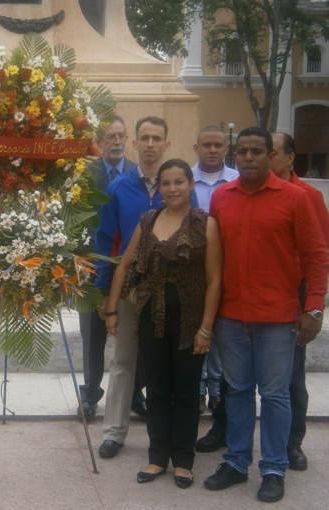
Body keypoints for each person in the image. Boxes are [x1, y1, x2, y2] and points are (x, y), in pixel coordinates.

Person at [204, 127, 329, 503]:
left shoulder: (296, 198)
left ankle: (273, 468)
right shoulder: (221, 198)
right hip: (232, 316)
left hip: (278, 317)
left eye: (257, 151)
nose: (248, 157)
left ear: (270, 155)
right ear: (234, 156)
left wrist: (315, 307)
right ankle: (237, 462)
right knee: (238, 391)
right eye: (241, 151)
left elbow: (316, 256)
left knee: (275, 395)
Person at [104, 158, 222, 488]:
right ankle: (157, 458)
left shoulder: (205, 223)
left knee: (185, 392)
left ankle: (183, 461)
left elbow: (214, 280)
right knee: (156, 390)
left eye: (179, 182)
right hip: (149, 319)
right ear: (159, 189)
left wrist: (206, 328)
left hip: (190, 323)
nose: (172, 188)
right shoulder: (148, 219)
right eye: (165, 183)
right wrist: (112, 309)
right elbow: (125, 265)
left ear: (191, 185)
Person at [94, 116, 197, 459]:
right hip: (130, 288)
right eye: (144, 138)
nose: (150, 144)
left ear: (167, 144)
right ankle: (113, 432)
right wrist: (105, 292)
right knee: (123, 360)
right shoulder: (119, 187)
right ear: (135, 144)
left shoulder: (178, 187)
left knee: (163, 363)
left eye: (157, 138)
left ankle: (165, 435)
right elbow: (107, 241)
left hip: (171, 291)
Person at [79, 115, 142, 418]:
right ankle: (90, 393)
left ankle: (136, 394)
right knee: (93, 335)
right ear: (99, 141)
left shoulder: (136, 173)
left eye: (122, 135)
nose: (117, 141)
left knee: (134, 334)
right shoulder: (82, 174)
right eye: (110, 136)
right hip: (91, 269)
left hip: (131, 271)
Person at [191, 126, 239, 414]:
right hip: (192, 270)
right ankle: (197, 391)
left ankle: (217, 391)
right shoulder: (185, 179)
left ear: (226, 149)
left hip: (227, 268)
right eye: (206, 144)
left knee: (219, 332)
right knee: (197, 331)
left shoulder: (237, 181)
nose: (212, 149)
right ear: (196, 148)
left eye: (217, 145)